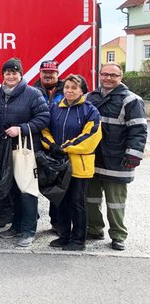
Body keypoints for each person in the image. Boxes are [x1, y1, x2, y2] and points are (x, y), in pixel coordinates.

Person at [86, 63, 147, 251]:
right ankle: (94, 229)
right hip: (93, 157)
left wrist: (133, 155)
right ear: (99, 75)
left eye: (113, 75)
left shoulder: (131, 100)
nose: (108, 78)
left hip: (118, 159)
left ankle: (118, 235)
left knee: (116, 201)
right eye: (105, 74)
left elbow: (138, 131)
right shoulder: (90, 97)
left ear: (121, 77)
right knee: (91, 198)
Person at [42, 74, 102, 251]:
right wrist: (52, 146)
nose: (69, 91)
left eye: (74, 88)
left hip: (79, 165)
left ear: (82, 90)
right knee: (61, 201)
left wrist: (65, 147)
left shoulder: (90, 110)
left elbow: (91, 136)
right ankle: (64, 235)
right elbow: (45, 129)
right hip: (59, 164)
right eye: (67, 87)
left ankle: (78, 240)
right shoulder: (55, 108)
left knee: (77, 202)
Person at [0, 58, 50, 248]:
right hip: (5, 150)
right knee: (12, 190)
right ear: (2, 75)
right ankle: (16, 226)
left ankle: (28, 230)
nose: (11, 76)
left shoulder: (33, 94)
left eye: (14, 73)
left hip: (26, 149)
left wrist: (22, 128)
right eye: (7, 73)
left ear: (21, 74)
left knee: (27, 190)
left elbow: (44, 118)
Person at [32, 59, 65, 233]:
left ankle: (57, 223)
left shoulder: (67, 89)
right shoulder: (32, 90)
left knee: (57, 186)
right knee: (34, 183)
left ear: (58, 73)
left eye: (52, 72)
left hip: (60, 145)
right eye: (45, 72)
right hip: (38, 143)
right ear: (40, 73)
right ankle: (32, 219)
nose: (49, 74)